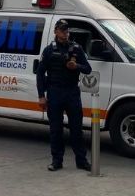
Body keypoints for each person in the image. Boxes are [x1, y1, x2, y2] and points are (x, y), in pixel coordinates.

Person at [36, 19, 93, 171]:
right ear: (56, 31)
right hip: (54, 92)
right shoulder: (49, 50)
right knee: (56, 129)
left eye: (67, 31)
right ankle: (56, 161)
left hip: (72, 92)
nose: (65, 33)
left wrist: (77, 66)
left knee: (76, 129)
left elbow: (88, 69)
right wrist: (41, 96)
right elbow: (40, 74)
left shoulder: (76, 48)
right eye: (62, 30)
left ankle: (81, 161)